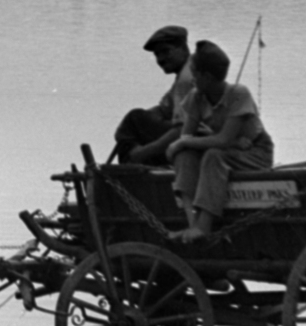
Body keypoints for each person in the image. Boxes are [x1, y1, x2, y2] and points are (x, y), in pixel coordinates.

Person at [166, 40, 274, 243]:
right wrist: (184, 144)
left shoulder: (238, 94)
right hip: (231, 149)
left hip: (256, 152)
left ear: (206, 77)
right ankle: (193, 225)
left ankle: (204, 227)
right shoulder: (196, 97)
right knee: (185, 156)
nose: (192, 79)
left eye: (195, 74)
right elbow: (189, 137)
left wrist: (182, 143)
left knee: (213, 156)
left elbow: (221, 140)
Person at [112, 25, 195, 165]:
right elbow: (164, 109)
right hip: (193, 138)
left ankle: (127, 174)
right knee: (136, 121)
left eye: (166, 51)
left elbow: (182, 129)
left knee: (134, 118)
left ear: (183, 48)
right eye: (157, 54)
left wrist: (144, 151)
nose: (161, 59)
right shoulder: (191, 67)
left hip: (193, 139)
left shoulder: (186, 80)